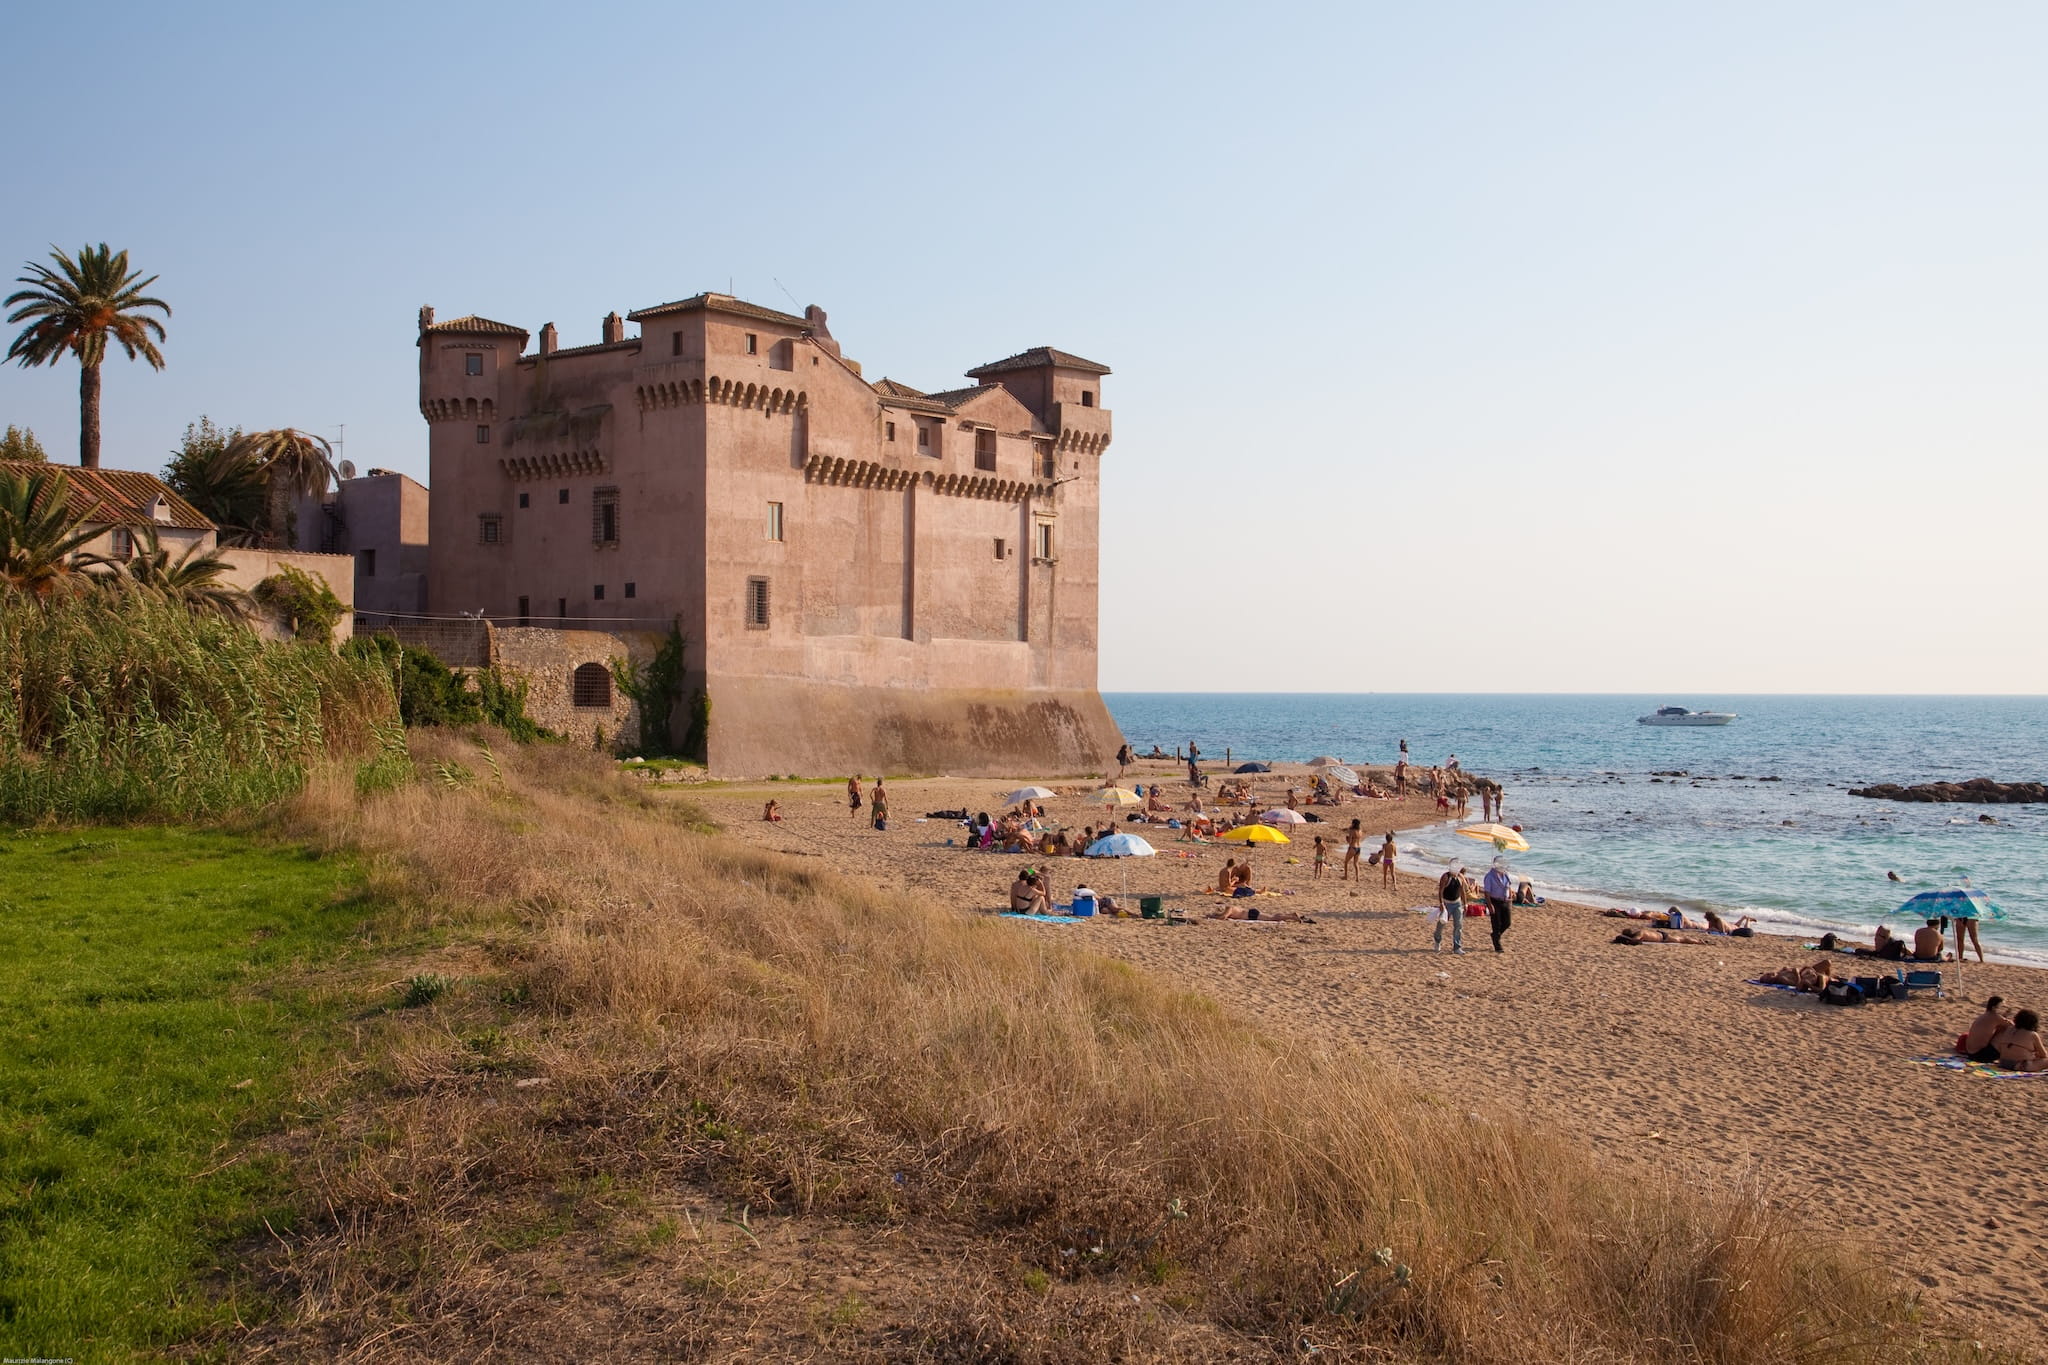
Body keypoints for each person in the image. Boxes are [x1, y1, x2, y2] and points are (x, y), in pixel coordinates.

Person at [1961, 997, 2011, 1062]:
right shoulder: (1995, 1016)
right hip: (1979, 1055)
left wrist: (2004, 1017)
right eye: (2002, 1007)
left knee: (2000, 1029)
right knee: (2005, 1031)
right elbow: (2012, 1026)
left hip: (1970, 1053)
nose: (2005, 1009)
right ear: (1994, 1008)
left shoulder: (1985, 1015)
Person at [1482, 859, 1514, 953]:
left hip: (1505, 901)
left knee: (1507, 922)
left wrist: (1510, 897)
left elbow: (1508, 886)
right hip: (1494, 901)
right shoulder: (1489, 876)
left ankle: (1496, 935)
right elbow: (1487, 892)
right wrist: (1489, 905)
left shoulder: (1506, 874)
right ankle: (1497, 945)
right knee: (1496, 923)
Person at [1435, 867, 1468, 954]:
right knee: (1442, 923)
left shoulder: (1460, 877)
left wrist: (1465, 904)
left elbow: (1463, 891)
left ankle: (1457, 947)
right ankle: (1437, 940)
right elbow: (1441, 891)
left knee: (1458, 925)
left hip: (1457, 904)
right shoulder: (1446, 877)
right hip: (1447, 904)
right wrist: (1441, 904)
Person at [1952, 898, 1986, 964]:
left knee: (1974, 939)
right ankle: (1960, 957)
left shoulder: (1972, 897)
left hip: (1971, 916)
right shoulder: (1957, 897)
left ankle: (1981, 959)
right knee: (1960, 939)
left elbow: (1977, 906)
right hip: (1960, 915)